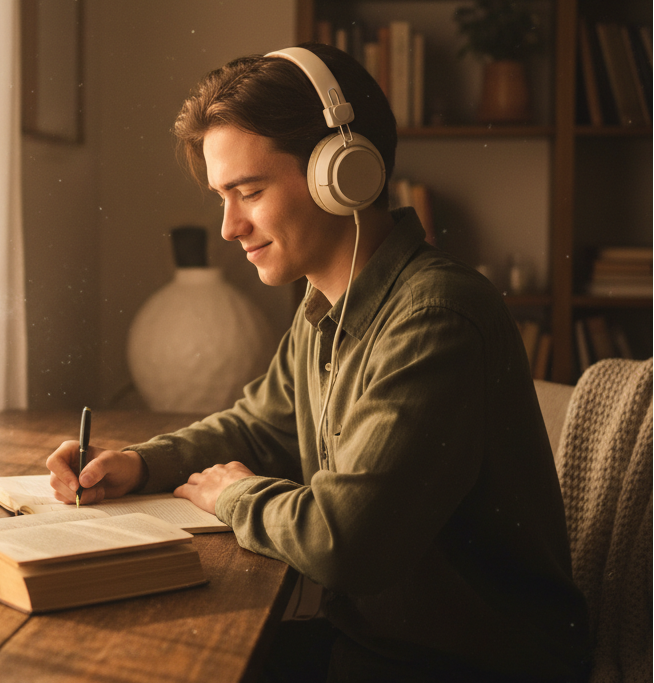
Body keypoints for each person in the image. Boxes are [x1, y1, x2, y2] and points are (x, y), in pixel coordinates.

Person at [46, 42, 589, 682]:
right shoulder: (325, 304)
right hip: (371, 645)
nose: (228, 227)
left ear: (344, 173)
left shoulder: (435, 319)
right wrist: (141, 462)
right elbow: (258, 426)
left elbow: (343, 542)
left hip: (462, 667)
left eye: (248, 191)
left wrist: (235, 495)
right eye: (223, 196)